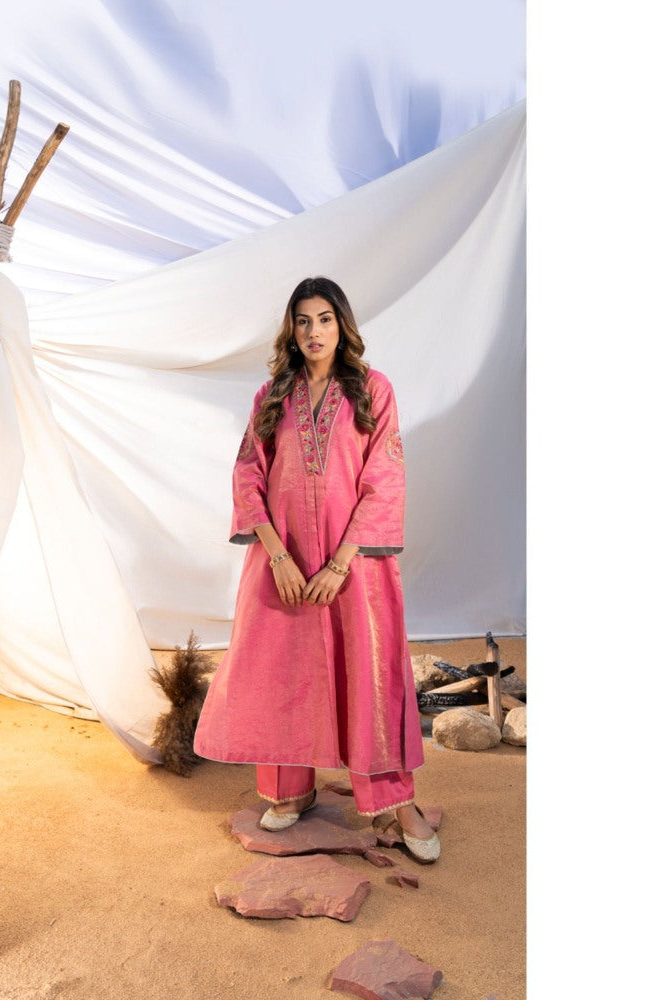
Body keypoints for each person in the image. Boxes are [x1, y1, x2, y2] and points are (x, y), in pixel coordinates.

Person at [193, 276, 439, 863]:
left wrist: (340, 564)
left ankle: (395, 801)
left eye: (324, 319)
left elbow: (384, 479)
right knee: (280, 670)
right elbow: (248, 475)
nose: (313, 331)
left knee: (369, 674)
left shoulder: (372, 390)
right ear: (291, 329)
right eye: (302, 320)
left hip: (355, 564)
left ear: (342, 324)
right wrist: (278, 557)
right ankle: (289, 790)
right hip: (283, 562)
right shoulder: (272, 395)